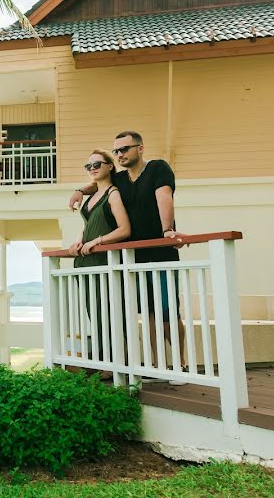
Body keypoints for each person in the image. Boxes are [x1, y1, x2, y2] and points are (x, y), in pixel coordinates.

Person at [68, 131, 186, 374]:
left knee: (166, 312)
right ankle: (157, 366)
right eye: (116, 151)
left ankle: (180, 363)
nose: (120, 154)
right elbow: (98, 183)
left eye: (124, 149)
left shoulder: (157, 168)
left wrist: (167, 230)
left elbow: (164, 198)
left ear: (140, 149)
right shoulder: (120, 181)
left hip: (160, 250)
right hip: (133, 256)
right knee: (149, 312)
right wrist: (80, 190)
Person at [66, 150, 130, 370]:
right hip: (85, 262)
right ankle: (104, 362)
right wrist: (79, 242)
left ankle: (116, 364)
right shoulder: (90, 196)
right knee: (93, 312)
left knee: (109, 312)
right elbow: (88, 226)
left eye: (97, 164)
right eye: (88, 166)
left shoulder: (113, 193)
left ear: (110, 166)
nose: (92, 168)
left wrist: (98, 241)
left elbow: (124, 229)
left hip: (104, 260)